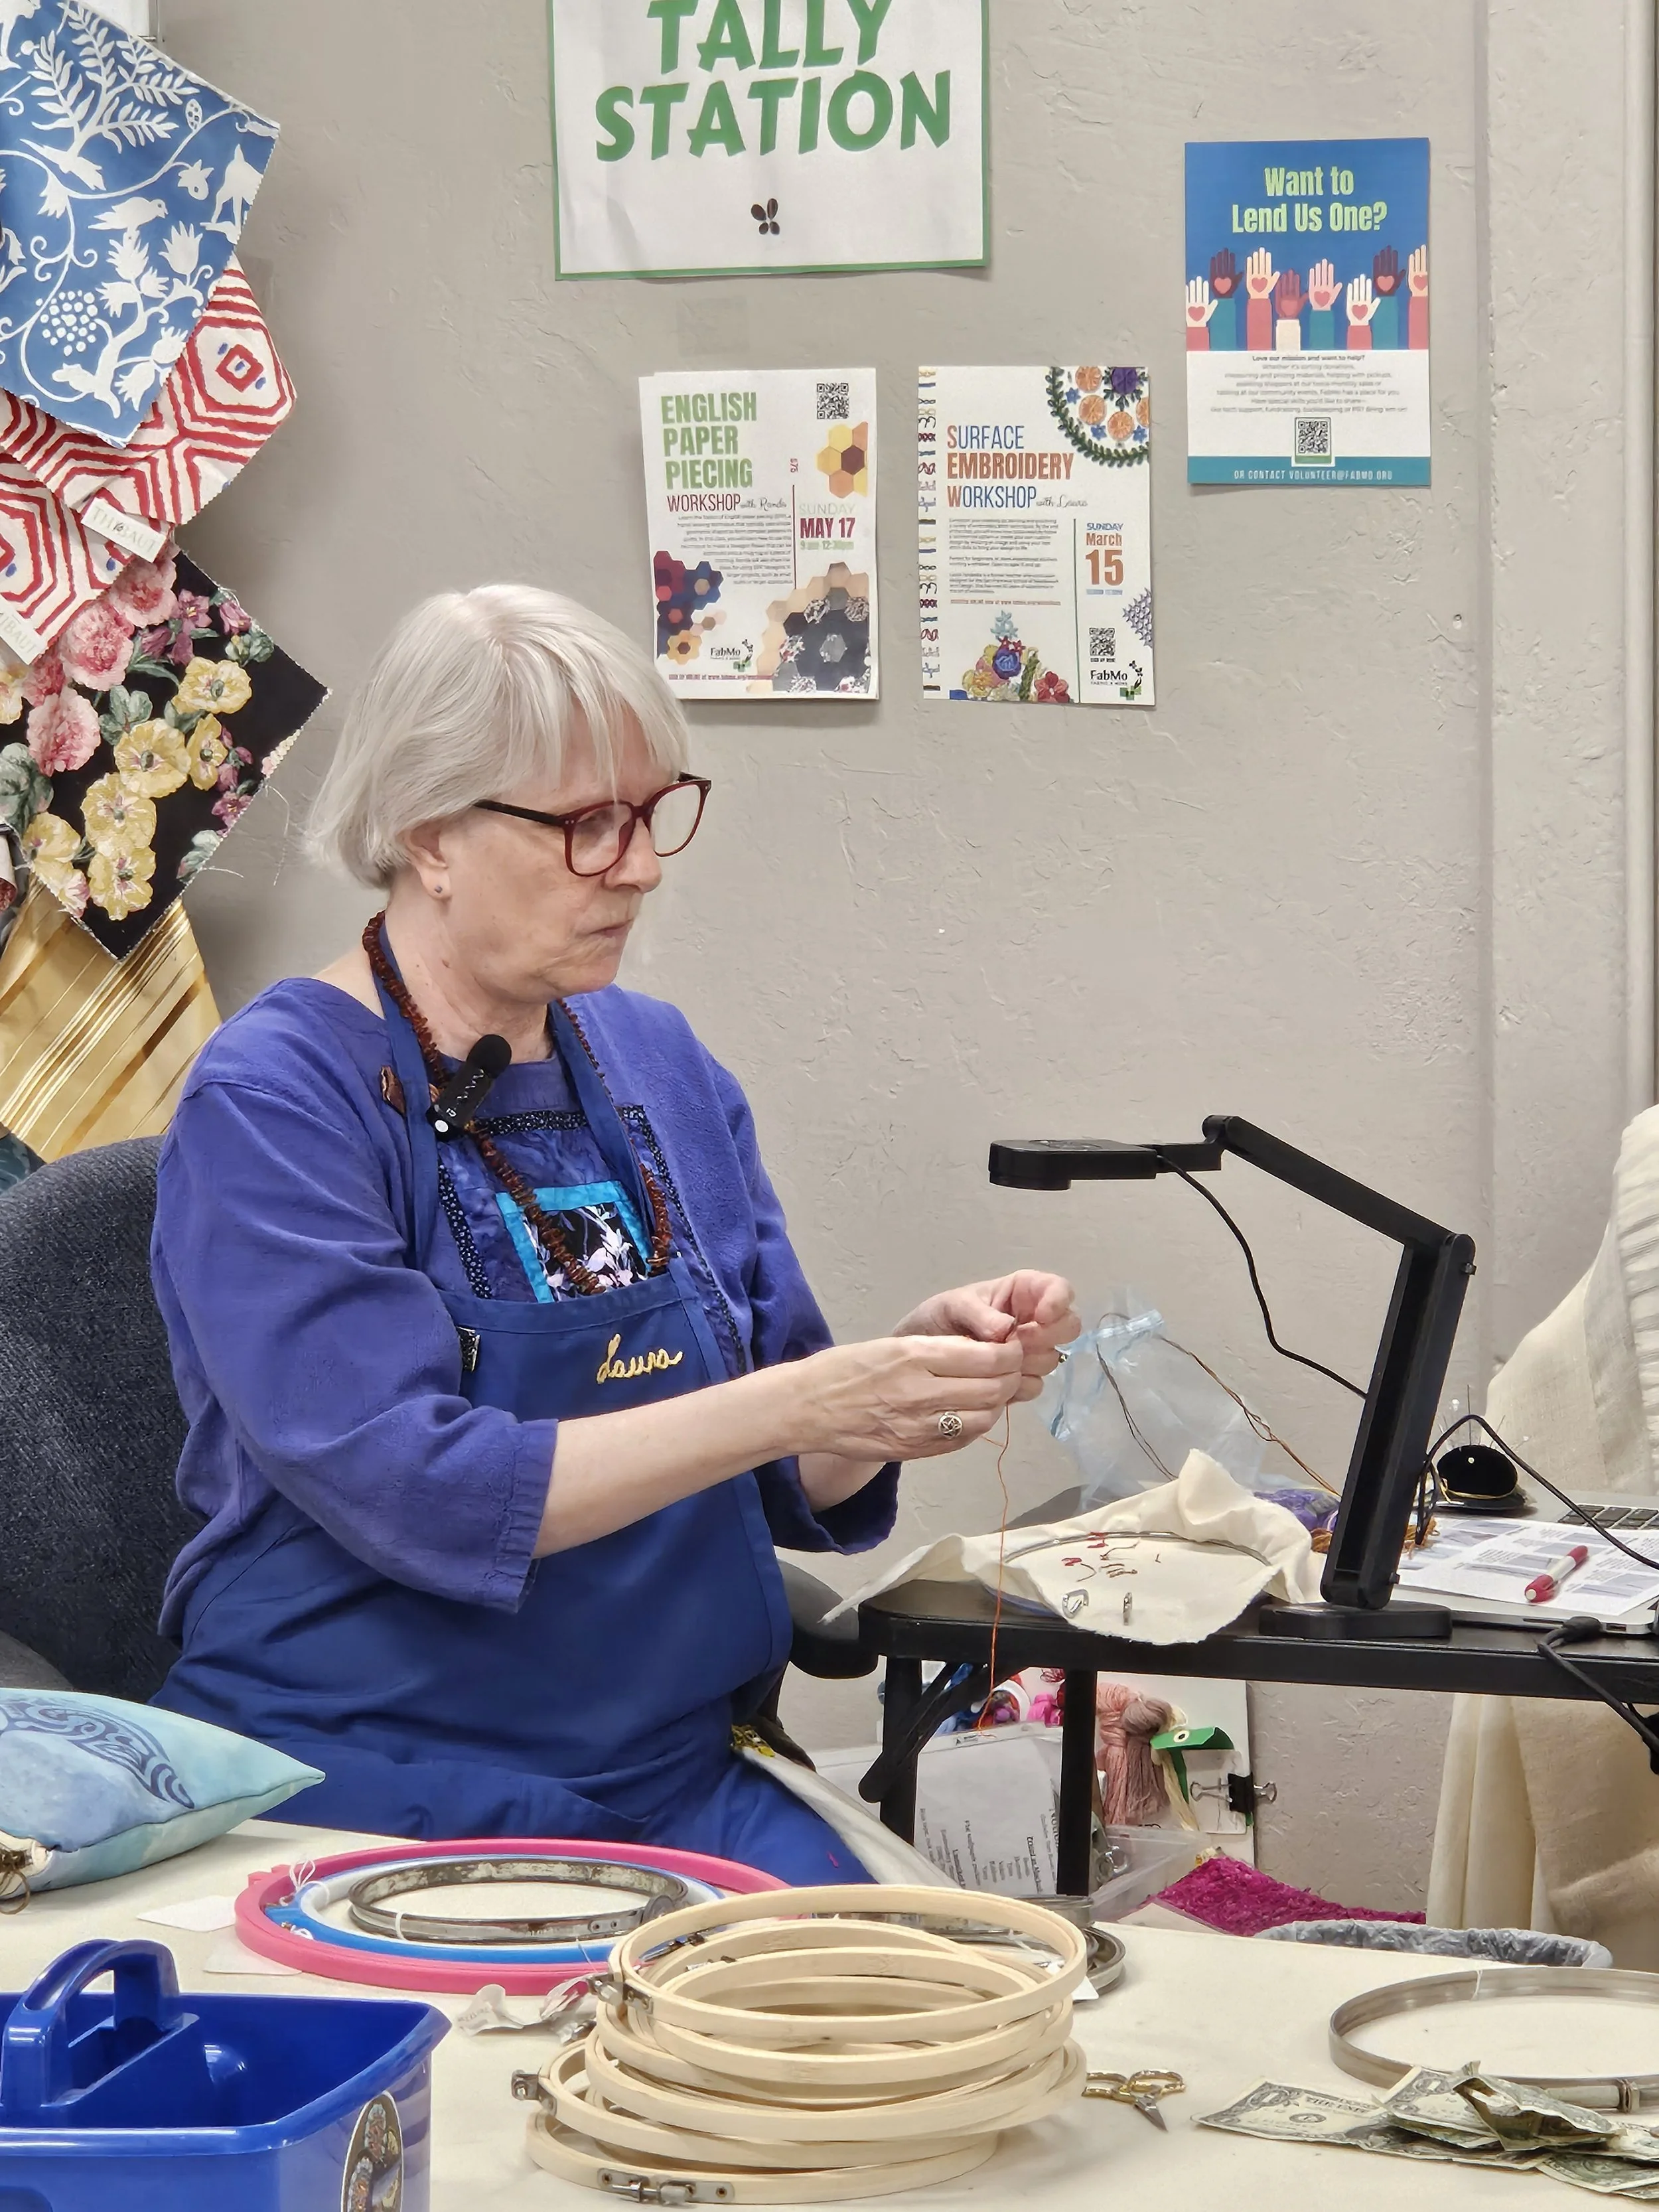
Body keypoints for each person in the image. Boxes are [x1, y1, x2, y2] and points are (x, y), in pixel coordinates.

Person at [150, 585, 1078, 1882]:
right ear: (429, 833)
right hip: (377, 1777)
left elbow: (771, 1473)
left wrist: (897, 1391)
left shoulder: (654, 1061)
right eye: (586, 825)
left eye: (651, 814)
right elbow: (426, 1490)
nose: (637, 866)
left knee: (963, 2025)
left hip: (672, 1770)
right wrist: (797, 1399)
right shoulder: (276, 1102)